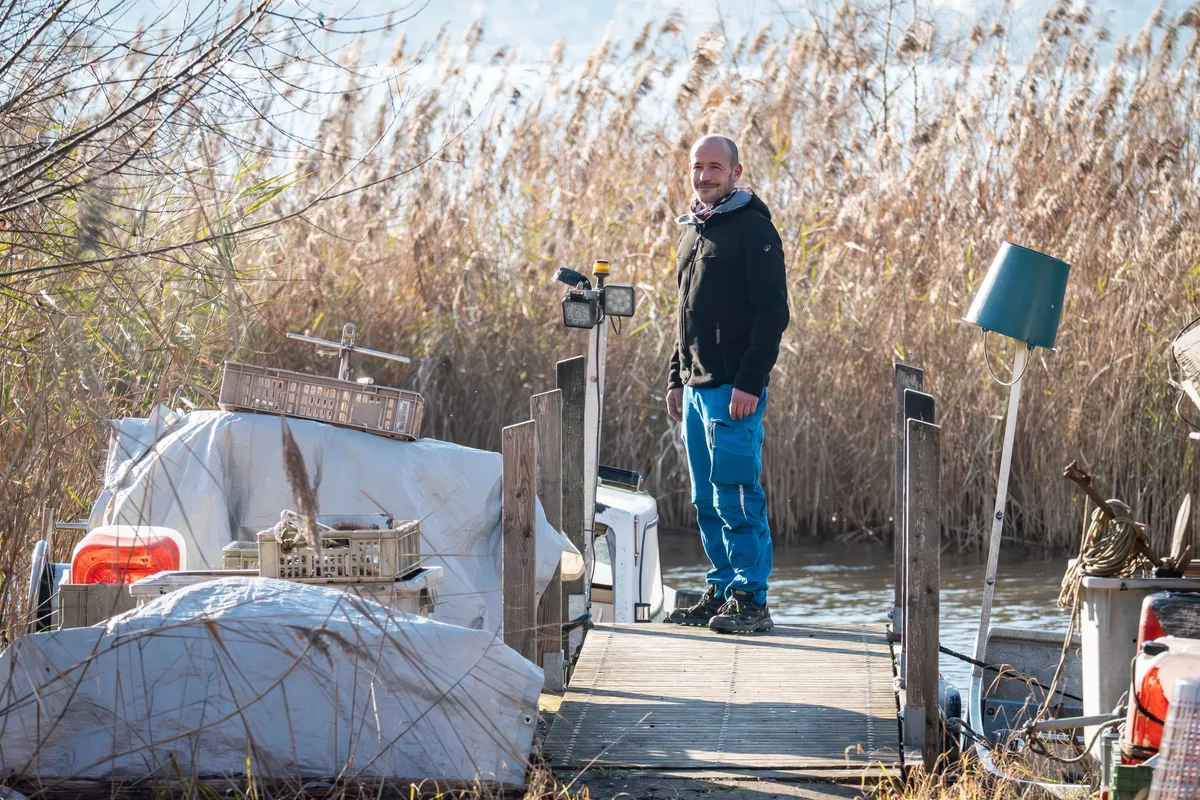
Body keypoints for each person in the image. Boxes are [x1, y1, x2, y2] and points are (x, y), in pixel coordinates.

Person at [665, 134, 789, 634]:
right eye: (698, 167)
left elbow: (773, 315)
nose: (705, 176)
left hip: (734, 391)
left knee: (735, 492)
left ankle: (751, 599)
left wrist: (750, 383)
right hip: (696, 389)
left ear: (736, 173)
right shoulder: (694, 229)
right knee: (704, 497)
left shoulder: (754, 231)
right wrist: (676, 378)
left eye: (715, 167)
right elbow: (685, 314)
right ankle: (720, 589)